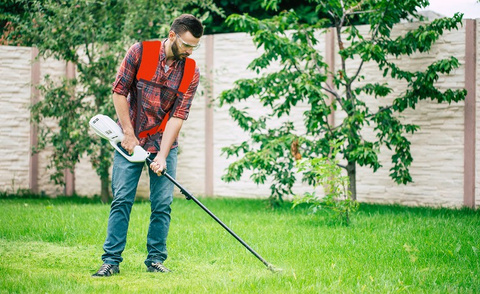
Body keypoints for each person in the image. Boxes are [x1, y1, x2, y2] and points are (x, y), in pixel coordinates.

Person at [92, 14, 203, 277]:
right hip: (129, 139)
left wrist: (162, 156)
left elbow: (178, 115)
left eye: (194, 47)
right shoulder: (141, 52)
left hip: (163, 141)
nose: (189, 51)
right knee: (122, 199)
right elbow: (119, 91)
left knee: (162, 204)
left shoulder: (191, 71)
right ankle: (111, 261)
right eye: (186, 45)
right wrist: (128, 134)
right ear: (172, 35)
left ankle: (155, 260)